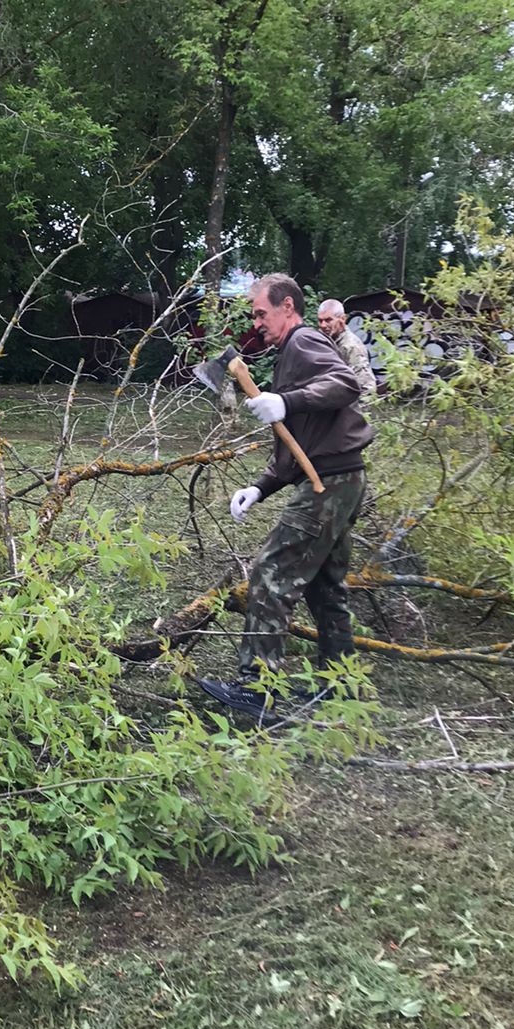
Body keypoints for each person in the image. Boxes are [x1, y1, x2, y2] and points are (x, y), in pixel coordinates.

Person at [199, 273, 372, 712]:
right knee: (325, 588)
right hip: (341, 479)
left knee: (270, 572)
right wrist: (258, 488)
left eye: (261, 313)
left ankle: (258, 687)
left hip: (329, 485)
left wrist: (287, 402)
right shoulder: (288, 354)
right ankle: (342, 685)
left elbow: (346, 383)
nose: (256, 323)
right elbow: (298, 443)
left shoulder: (304, 340)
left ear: (288, 308)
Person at [317, 298, 376, 397]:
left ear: (342, 319)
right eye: (320, 320)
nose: (323, 325)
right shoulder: (321, 341)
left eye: (328, 320)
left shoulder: (351, 347)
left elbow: (367, 388)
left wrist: (353, 411)